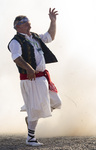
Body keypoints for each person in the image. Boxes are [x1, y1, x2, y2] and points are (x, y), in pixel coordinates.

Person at [8, 8, 62, 146]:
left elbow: (50, 36)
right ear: (17, 26)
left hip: (43, 77)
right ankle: (30, 138)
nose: (28, 24)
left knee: (56, 102)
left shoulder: (35, 37)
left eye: (28, 21)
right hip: (30, 79)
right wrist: (29, 68)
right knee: (36, 109)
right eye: (25, 22)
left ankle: (31, 116)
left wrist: (53, 22)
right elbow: (16, 58)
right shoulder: (15, 42)